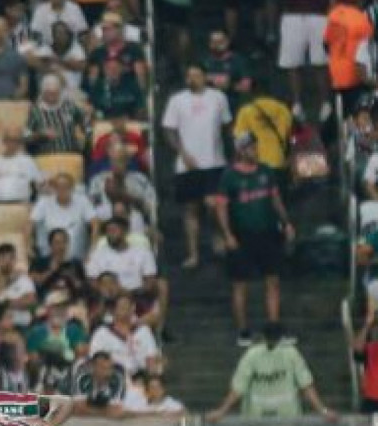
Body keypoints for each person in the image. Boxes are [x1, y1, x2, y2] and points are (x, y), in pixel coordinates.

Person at [214, 132, 296, 346]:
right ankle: (243, 331)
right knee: (240, 285)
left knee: (273, 281)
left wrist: (286, 222)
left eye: (255, 146)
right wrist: (227, 235)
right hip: (242, 236)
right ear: (240, 150)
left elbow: (275, 199)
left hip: (268, 233)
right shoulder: (229, 176)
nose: (254, 150)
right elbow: (221, 207)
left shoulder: (266, 171)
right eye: (250, 147)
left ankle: (275, 328)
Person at [162, 64, 232, 269]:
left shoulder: (218, 98)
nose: (194, 79)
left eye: (197, 75)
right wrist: (182, 153)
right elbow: (169, 130)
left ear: (205, 77)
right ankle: (193, 253)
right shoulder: (177, 100)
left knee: (213, 205)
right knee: (190, 208)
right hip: (187, 164)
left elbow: (227, 126)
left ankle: (218, 236)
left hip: (214, 161)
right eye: (190, 76)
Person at [207, 322, 337, 422]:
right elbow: (238, 388)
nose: (272, 342)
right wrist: (221, 412)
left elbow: (306, 386)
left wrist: (323, 411)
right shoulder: (252, 355)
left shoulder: (291, 354)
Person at [278, 0, 331, 121]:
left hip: (319, 13)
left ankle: (326, 103)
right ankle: (297, 104)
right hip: (292, 14)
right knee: (293, 62)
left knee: (321, 61)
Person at [89, 294, 161, 376]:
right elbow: (95, 359)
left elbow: (152, 358)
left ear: (132, 308)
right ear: (113, 310)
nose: (124, 309)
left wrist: (152, 364)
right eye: (121, 306)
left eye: (127, 306)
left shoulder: (143, 331)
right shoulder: (102, 333)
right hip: (114, 378)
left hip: (140, 378)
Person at [31, 173, 99, 260]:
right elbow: (29, 225)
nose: (62, 190)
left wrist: (93, 249)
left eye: (66, 187)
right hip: (48, 259)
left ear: (72, 188)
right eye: (59, 187)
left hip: (77, 260)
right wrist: (28, 248)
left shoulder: (82, 201)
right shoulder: (44, 202)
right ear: (54, 188)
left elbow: (95, 223)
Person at [324, 0, 372, 114]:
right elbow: (369, 46)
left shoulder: (333, 16)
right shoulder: (362, 19)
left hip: (337, 77)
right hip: (356, 78)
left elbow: (326, 44)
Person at [25, 74, 87, 155]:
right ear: (43, 93)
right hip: (46, 158)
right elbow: (25, 136)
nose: (52, 96)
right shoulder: (35, 111)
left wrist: (86, 137)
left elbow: (85, 122)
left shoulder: (70, 106)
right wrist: (40, 134)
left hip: (71, 156)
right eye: (49, 93)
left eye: (55, 93)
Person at [0, 244, 37, 327]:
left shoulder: (25, 280)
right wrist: (6, 280)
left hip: (20, 324)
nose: (8, 261)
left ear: (15, 259)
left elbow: (31, 301)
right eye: (3, 258)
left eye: (11, 258)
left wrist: (5, 304)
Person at [0, 131, 44, 204]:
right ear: (4, 141)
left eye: (16, 141)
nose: (12, 144)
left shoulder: (28, 161)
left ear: (20, 143)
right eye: (9, 140)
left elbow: (39, 184)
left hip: (21, 205)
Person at [70, 352, 127, 416]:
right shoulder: (82, 378)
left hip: (93, 409)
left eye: (109, 368)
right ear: (93, 366)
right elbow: (78, 408)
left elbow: (116, 410)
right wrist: (105, 412)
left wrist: (90, 411)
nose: (107, 372)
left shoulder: (117, 379)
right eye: (102, 367)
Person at [122, 374, 186, 415]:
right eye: (152, 387)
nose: (155, 390)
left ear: (163, 389)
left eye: (158, 387)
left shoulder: (172, 403)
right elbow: (126, 412)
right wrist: (152, 413)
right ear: (147, 389)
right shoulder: (139, 402)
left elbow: (183, 412)